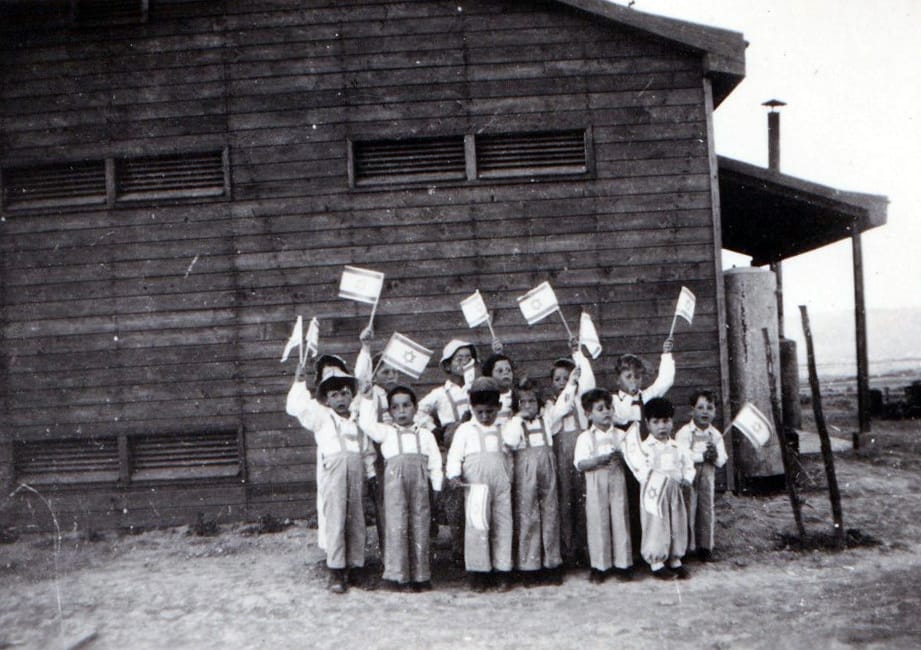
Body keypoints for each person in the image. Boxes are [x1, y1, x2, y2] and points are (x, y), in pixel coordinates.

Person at [286, 358, 376, 593]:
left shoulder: (358, 422)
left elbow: (367, 451)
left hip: (356, 475)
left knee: (356, 520)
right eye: (334, 395)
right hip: (333, 475)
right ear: (326, 399)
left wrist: (372, 474)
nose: (340, 399)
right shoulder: (322, 419)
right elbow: (297, 407)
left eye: (345, 394)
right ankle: (336, 570)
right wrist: (298, 381)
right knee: (335, 520)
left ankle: (356, 567)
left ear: (351, 396)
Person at [358, 383, 443, 592]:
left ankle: (421, 576)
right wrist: (368, 399)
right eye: (395, 407)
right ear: (390, 412)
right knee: (397, 525)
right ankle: (400, 577)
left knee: (420, 525)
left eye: (406, 405)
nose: (402, 411)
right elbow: (366, 423)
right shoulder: (386, 433)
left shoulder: (425, 435)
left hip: (420, 485)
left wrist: (437, 486)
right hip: (395, 484)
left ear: (415, 408)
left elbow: (435, 462)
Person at [445, 377, 514, 592]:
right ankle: (479, 572)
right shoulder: (465, 430)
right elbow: (455, 456)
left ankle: (502, 570)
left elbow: (510, 457)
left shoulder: (504, 429)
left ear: (499, 408)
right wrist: (454, 475)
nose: (485, 417)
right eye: (480, 412)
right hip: (475, 486)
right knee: (477, 526)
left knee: (503, 525)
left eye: (490, 412)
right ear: (472, 408)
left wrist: (509, 477)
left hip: (501, 485)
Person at [611, 338, 675, 555]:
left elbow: (665, 380)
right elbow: (619, 418)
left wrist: (666, 355)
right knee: (627, 502)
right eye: (628, 377)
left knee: (648, 499)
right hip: (627, 458)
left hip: (648, 458)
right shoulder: (614, 402)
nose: (634, 381)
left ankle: (651, 550)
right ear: (618, 379)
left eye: (637, 376)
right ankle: (631, 553)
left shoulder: (646, 397)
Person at [625, 397, 695, 580]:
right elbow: (639, 468)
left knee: (677, 523)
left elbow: (688, 465)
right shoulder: (645, 448)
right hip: (654, 494)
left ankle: (675, 559)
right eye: (656, 422)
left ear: (672, 422)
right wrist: (648, 480)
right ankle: (656, 562)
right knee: (656, 525)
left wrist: (687, 478)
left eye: (666, 421)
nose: (662, 426)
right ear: (647, 424)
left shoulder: (677, 446)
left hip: (674, 493)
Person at [502, 378, 563, 585]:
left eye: (531, 402)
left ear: (539, 403)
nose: (527, 406)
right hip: (525, 470)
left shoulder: (546, 420)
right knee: (528, 516)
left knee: (550, 514)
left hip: (547, 466)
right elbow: (509, 441)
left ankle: (552, 563)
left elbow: (564, 404)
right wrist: (518, 418)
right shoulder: (514, 424)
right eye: (523, 403)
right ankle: (530, 566)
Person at [573, 388, 634, 583]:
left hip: (617, 480)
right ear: (589, 414)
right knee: (598, 522)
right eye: (600, 409)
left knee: (620, 519)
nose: (607, 412)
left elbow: (633, 459)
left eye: (609, 407)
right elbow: (580, 464)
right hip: (595, 482)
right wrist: (598, 460)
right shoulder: (585, 438)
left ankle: (623, 564)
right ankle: (600, 566)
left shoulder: (622, 435)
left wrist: (623, 457)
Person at [547, 342, 595, 567]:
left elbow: (588, 382)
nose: (562, 383)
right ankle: (567, 549)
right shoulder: (550, 406)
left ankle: (586, 547)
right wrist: (568, 390)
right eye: (557, 379)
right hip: (562, 458)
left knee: (584, 500)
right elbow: (557, 415)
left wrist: (578, 354)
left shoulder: (581, 400)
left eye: (567, 378)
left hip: (582, 454)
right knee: (565, 502)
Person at [674, 389, 728, 562]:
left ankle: (705, 546)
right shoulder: (684, 433)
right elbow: (681, 456)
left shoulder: (716, 435)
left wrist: (714, 456)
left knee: (706, 509)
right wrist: (700, 457)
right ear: (692, 410)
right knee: (688, 508)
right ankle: (685, 547)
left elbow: (723, 459)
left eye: (710, 408)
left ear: (715, 412)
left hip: (707, 475)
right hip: (688, 476)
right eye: (700, 407)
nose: (705, 412)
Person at [481, 352, 515, 426]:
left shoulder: (517, 395)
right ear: (489, 376)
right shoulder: (486, 399)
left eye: (509, 370)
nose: (506, 373)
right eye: (500, 371)